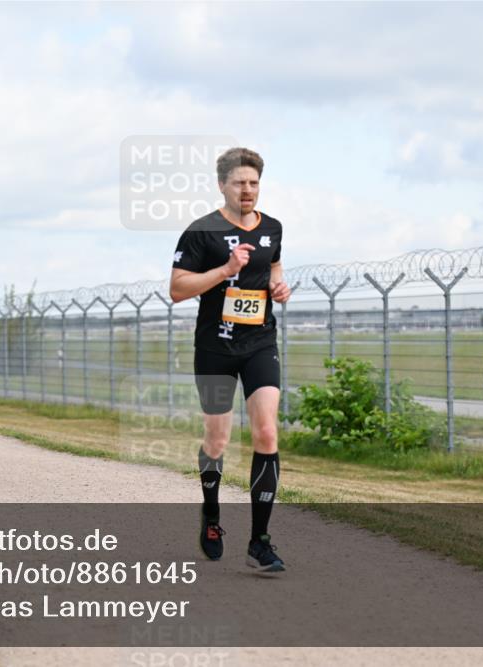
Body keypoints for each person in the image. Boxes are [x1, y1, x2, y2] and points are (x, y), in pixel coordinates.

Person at [168, 147, 291, 573]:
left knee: (267, 432)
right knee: (218, 440)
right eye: (239, 183)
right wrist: (223, 270)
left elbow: (273, 266)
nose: (247, 190)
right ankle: (213, 515)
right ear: (222, 184)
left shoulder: (272, 227)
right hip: (215, 348)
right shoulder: (201, 232)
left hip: (259, 342)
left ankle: (260, 542)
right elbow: (178, 289)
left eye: (254, 183)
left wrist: (279, 287)